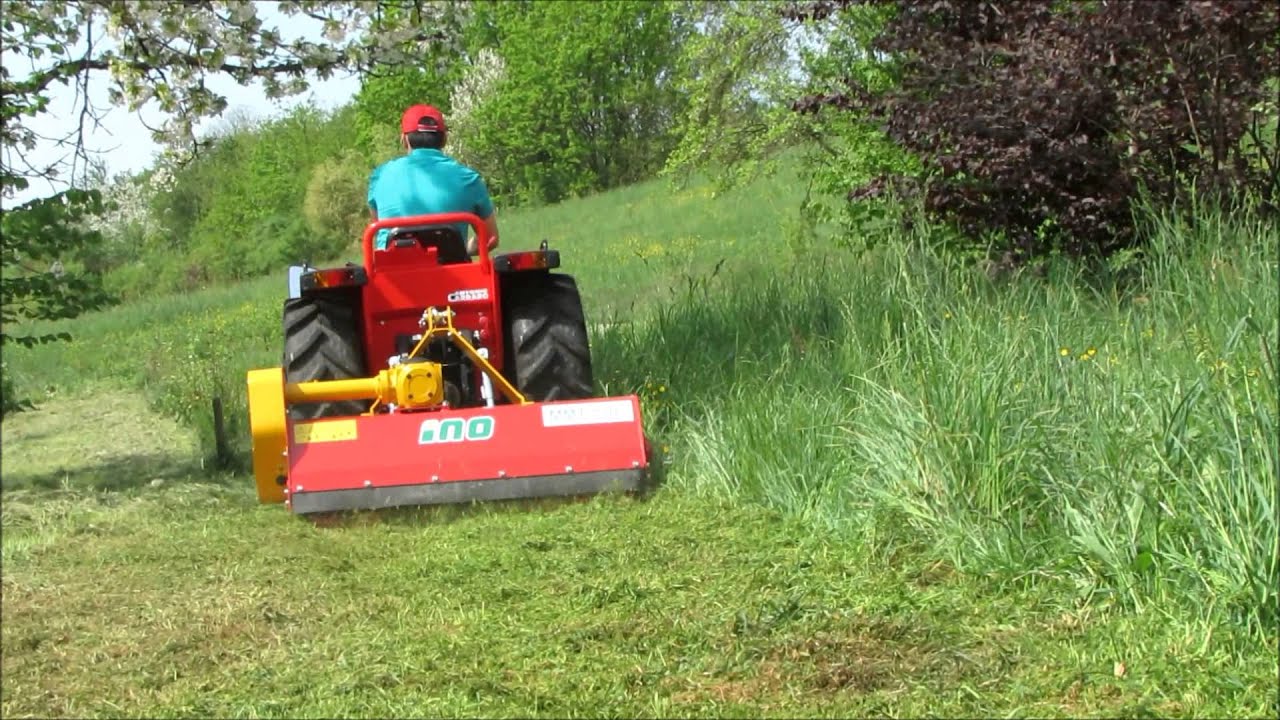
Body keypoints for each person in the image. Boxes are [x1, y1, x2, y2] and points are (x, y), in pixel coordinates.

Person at [366, 104, 500, 254]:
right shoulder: (469, 179)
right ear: (444, 139)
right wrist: (463, 250)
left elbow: (378, 228)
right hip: (453, 268)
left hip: (392, 268)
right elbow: (490, 238)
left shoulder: (380, 176)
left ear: (404, 139)